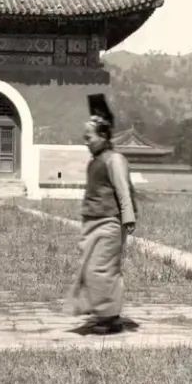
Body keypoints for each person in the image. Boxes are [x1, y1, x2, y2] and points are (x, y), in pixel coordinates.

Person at [66, 94, 137, 335]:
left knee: (103, 269)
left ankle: (110, 318)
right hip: (92, 224)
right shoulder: (93, 162)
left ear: (103, 136)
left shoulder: (115, 160)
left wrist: (128, 218)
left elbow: (123, 190)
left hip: (109, 224)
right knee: (89, 268)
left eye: (89, 137)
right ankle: (101, 313)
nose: (86, 142)